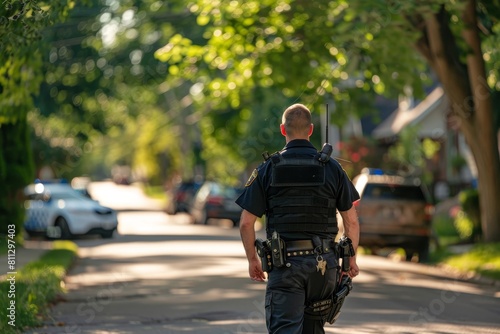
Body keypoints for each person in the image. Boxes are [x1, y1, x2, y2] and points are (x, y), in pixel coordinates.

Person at [236, 103, 360, 334]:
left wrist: (252, 259)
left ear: (283, 130)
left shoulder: (268, 169)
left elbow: (245, 222)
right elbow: (351, 221)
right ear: (311, 129)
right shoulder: (333, 168)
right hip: (324, 267)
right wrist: (350, 260)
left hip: (285, 267)